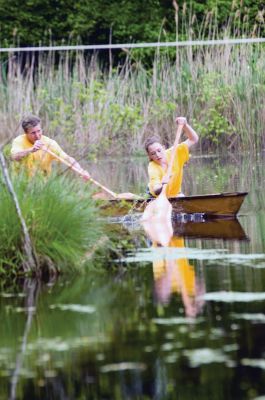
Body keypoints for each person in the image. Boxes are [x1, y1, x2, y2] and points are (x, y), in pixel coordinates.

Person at [10, 115, 90, 179]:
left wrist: (81, 171)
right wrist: (31, 149)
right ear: (26, 133)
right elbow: (14, 157)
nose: (37, 135)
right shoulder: (19, 141)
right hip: (20, 184)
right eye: (33, 133)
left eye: (39, 131)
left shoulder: (49, 143)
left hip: (42, 185)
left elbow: (67, 158)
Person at [144, 117, 198, 197]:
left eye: (159, 151)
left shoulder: (175, 152)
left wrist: (185, 125)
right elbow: (156, 190)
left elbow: (193, 139)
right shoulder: (152, 167)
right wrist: (162, 184)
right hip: (156, 196)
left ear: (164, 147)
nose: (157, 155)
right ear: (149, 156)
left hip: (175, 193)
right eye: (153, 153)